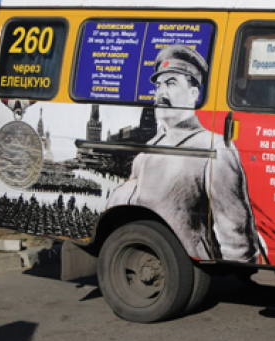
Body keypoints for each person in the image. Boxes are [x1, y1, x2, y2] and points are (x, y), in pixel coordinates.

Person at [107, 45, 262, 262]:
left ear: (193, 94)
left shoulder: (215, 147)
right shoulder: (149, 149)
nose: (161, 93)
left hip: (194, 262)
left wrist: (237, 271)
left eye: (171, 83)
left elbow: (236, 235)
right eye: (159, 85)